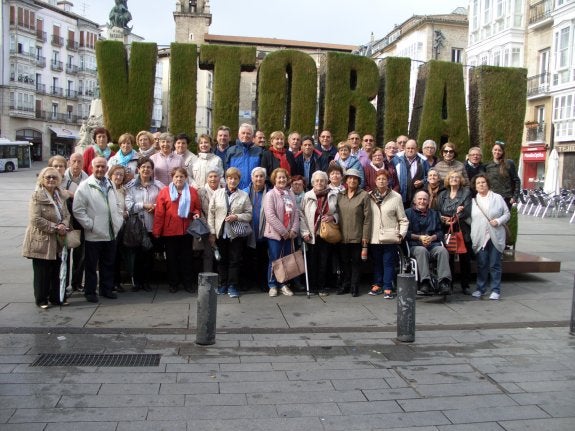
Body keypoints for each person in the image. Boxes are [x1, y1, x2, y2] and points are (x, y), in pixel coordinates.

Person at [73, 157, 124, 303]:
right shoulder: (85, 186)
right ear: (91, 168)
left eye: (103, 166)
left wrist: (118, 221)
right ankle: (90, 292)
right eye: (98, 166)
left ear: (107, 168)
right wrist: (91, 225)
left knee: (108, 263)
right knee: (91, 265)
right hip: (94, 234)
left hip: (110, 232)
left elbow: (118, 204)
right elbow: (78, 210)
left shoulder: (110, 183)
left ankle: (106, 289)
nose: (101, 169)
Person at [22, 167, 71, 308]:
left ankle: (56, 297)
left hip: (58, 239)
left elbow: (66, 215)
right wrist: (55, 227)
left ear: (58, 180)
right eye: (48, 177)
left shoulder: (60, 195)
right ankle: (41, 299)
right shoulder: (36, 196)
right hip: (41, 239)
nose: (51, 180)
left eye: (54, 177)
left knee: (57, 269)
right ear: (42, 179)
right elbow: (35, 219)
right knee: (42, 271)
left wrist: (63, 224)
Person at [152, 167, 201, 293]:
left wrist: (196, 213)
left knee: (187, 259)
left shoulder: (192, 191)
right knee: (172, 260)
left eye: (181, 176)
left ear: (186, 178)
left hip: (186, 231)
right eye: (176, 177)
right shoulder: (165, 192)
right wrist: (157, 231)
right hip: (169, 232)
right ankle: (173, 283)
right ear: (172, 178)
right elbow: (159, 213)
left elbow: (197, 208)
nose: (179, 179)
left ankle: (188, 283)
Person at [208, 167, 253, 298]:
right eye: (230, 178)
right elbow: (211, 214)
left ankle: (232, 286)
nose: (232, 181)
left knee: (235, 260)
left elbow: (249, 214)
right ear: (226, 179)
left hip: (235, 234)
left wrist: (237, 217)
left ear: (239, 180)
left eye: (235, 178)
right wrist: (212, 232)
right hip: (221, 233)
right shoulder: (217, 193)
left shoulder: (243, 195)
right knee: (221, 260)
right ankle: (222, 285)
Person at [125, 157, 165, 292]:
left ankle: (147, 281)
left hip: (152, 225)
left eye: (148, 167)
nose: (146, 170)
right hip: (136, 227)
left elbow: (165, 202)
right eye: (143, 167)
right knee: (136, 255)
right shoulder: (131, 186)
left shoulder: (159, 186)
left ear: (152, 170)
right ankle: (137, 282)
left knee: (149, 255)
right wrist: (143, 205)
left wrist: (156, 207)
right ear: (138, 169)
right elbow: (129, 206)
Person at [367, 169, 409, 298]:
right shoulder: (369, 196)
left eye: (384, 179)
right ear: (375, 181)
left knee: (388, 262)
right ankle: (377, 284)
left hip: (390, 236)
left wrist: (401, 234)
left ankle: (387, 286)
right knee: (377, 262)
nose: (381, 181)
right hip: (374, 235)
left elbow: (403, 218)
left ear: (388, 181)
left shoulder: (396, 197)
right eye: (379, 179)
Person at [470, 174, 510, 300]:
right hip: (480, 236)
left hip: (495, 235)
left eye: (483, 182)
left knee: (494, 264)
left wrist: (498, 221)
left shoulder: (497, 198)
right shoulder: (473, 201)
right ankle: (480, 288)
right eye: (478, 183)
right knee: (482, 264)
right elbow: (468, 218)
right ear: (475, 186)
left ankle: (495, 290)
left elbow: (507, 213)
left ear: (488, 184)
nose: (481, 185)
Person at [300, 171, 339, 297]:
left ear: (326, 181)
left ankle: (322, 286)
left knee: (324, 261)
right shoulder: (307, 196)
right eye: (316, 180)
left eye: (322, 180)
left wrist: (333, 217)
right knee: (312, 262)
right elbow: (301, 215)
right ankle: (312, 286)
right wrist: (304, 232)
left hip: (326, 234)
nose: (319, 183)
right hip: (311, 234)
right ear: (312, 182)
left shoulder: (333, 194)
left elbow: (339, 212)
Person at [405, 190, 452, 295]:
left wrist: (432, 238)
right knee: (422, 251)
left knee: (442, 250)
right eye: (420, 199)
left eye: (425, 199)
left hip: (432, 244)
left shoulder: (434, 214)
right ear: (414, 201)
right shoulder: (407, 213)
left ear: (428, 201)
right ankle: (425, 282)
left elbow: (440, 232)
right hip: (415, 245)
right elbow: (405, 233)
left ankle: (444, 282)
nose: (422, 201)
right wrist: (419, 237)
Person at [263, 168, 300, 297]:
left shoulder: (290, 194)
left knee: (286, 260)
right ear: (274, 179)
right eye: (279, 177)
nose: (282, 180)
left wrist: (294, 230)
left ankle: (283, 284)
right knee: (275, 260)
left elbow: (295, 213)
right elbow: (270, 216)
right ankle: (272, 285)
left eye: (284, 177)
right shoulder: (270, 195)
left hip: (290, 234)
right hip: (275, 234)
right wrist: (284, 232)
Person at [336, 169, 372, 297]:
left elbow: (368, 218)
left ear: (358, 181)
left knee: (356, 263)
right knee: (344, 262)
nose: (352, 180)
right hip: (341, 237)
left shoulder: (364, 195)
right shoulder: (340, 195)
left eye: (355, 179)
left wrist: (365, 237)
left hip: (357, 236)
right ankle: (345, 284)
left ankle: (354, 286)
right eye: (349, 178)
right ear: (346, 180)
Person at [437, 170, 472, 294]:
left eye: (457, 177)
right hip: (447, 229)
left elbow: (466, 211)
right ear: (448, 179)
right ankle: (449, 283)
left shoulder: (466, 193)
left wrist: (452, 216)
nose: (454, 179)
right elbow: (439, 211)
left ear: (461, 179)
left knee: (464, 258)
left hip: (461, 229)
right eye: (452, 177)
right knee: (448, 257)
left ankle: (465, 285)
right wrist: (443, 218)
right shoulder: (442, 194)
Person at [62, 153, 88, 293]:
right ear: (69, 162)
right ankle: (64, 284)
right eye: (74, 161)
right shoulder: (62, 178)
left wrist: (72, 194)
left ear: (83, 163)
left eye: (79, 161)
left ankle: (77, 282)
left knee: (80, 255)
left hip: (80, 221)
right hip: (65, 222)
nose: (76, 164)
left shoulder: (87, 179)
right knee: (65, 254)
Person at [243, 167, 270, 291]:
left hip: (264, 231)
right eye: (256, 176)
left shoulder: (270, 193)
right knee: (247, 258)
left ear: (265, 178)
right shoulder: (244, 192)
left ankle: (262, 282)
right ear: (251, 177)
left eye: (261, 176)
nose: (258, 178)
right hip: (248, 231)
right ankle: (247, 282)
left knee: (263, 258)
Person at [107, 165, 129, 292]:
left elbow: (125, 206)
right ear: (110, 175)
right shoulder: (107, 189)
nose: (119, 177)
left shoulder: (124, 190)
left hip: (121, 226)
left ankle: (116, 281)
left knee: (117, 255)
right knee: (110, 256)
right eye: (116, 174)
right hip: (109, 227)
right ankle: (109, 282)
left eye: (121, 175)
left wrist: (126, 212)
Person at [197, 168, 223, 273]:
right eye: (210, 176)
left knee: (221, 254)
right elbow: (199, 211)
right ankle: (208, 281)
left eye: (215, 176)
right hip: (206, 228)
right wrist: (210, 230)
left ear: (219, 178)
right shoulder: (200, 192)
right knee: (208, 254)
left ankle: (221, 280)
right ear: (207, 178)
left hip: (221, 228)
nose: (213, 179)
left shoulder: (224, 191)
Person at [225, 123, 263, 190]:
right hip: (235, 190)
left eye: (248, 133)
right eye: (243, 133)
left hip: (253, 190)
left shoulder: (259, 151)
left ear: (252, 136)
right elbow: (226, 172)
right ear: (239, 135)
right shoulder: (231, 151)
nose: (245, 135)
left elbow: (262, 172)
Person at [484, 141, 521, 209]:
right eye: (495, 150)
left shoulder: (509, 163)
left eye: (499, 150)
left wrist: (514, 197)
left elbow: (516, 180)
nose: (497, 152)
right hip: (492, 198)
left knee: (504, 219)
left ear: (503, 152)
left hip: (506, 199)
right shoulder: (487, 166)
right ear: (492, 151)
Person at [394, 139, 429, 208]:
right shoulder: (396, 159)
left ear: (417, 149)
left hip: (417, 198)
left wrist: (422, 182)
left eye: (412, 148)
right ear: (404, 148)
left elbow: (429, 177)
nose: (410, 150)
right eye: (408, 148)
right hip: (400, 196)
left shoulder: (423, 161)